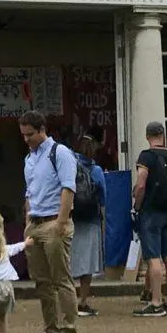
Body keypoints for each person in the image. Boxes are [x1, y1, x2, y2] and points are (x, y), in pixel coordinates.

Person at [19, 111, 81, 333]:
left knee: (61, 278)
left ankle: (68, 332)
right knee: (42, 282)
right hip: (35, 222)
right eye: (24, 135)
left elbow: (68, 187)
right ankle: (51, 330)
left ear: (42, 130)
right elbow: (30, 191)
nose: (27, 139)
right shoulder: (29, 159)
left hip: (55, 221)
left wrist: (62, 222)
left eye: (30, 134)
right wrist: (27, 221)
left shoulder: (60, 153)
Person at [132, 119, 167, 318]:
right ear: (163, 135)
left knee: (153, 259)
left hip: (152, 211)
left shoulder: (147, 156)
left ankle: (155, 303)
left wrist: (137, 205)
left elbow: (140, 184)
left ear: (148, 137)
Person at [71, 129, 106, 320]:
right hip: (91, 219)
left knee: (70, 260)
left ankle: (68, 300)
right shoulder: (97, 171)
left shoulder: (70, 166)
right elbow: (103, 197)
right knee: (88, 263)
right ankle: (83, 301)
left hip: (72, 218)